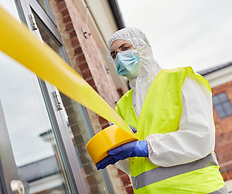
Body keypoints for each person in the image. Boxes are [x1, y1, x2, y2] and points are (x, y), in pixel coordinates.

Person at [97, 28, 227, 193]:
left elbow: (201, 138)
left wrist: (147, 147)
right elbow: (136, 167)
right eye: (114, 55)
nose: (120, 57)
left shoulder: (180, 79)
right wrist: (116, 152)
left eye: (125, 48)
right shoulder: (122, 106)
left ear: (142, 48)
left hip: (199, 189)